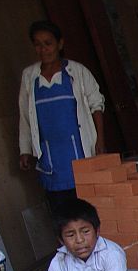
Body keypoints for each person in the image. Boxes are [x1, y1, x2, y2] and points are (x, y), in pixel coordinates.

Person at [19, 20, 105, 209]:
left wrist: (100, 140)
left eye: (48, 43)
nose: (43, 49)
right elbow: (25, 116)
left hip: (78, 149)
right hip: (50, 154)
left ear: (60, 44)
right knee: (60, 207)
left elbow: (96, 105)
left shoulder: (77, 72)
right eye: (38, 44)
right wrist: (25, 150)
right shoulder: (29, 76)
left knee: (87, 204)